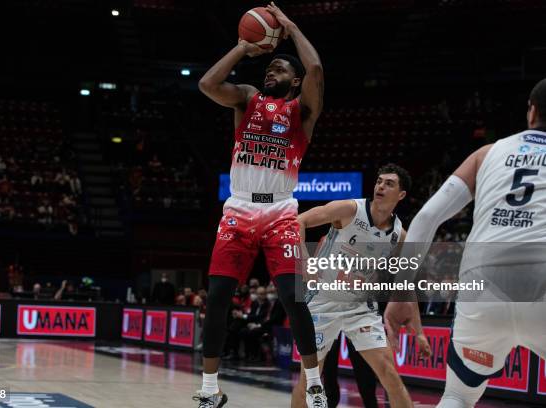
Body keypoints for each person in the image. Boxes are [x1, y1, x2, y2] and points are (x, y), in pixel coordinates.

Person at [195, 2, 325, 407]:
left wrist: (288, 26)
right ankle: (209, 389)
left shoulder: (301, 111)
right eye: (271, 68)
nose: (272, 73)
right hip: (238, 209)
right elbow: (207, 85)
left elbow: (317, 70)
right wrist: (241, 48)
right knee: (217, 296)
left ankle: (315, 382)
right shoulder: (247, 98)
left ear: (295, 81)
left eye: (280, 70)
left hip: (282, 211)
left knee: (292, 294)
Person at [398, 78, 546, 407]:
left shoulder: (486, 154)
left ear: (531, 111)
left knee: (458, 396)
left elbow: (425, 219)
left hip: (484, 285)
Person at [291, 164, 431, 408]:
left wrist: (418, 332)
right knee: (310, 382)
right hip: (323, 302)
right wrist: (303, 259)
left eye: (389, 183)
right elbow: (299, 221)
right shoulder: (349, 209)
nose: (381, 186)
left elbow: (405, 288)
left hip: (360, 308)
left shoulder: (401, 237)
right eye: (379, 181)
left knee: (391, 377)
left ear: (401, 195)